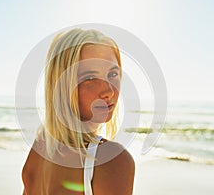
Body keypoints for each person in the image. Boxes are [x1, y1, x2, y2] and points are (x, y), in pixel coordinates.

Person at [22, 28, 135, 195]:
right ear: (62, 86)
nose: (109, 91)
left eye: (112, 74)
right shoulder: (111, 160)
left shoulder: (41, 145)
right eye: (89, 78)